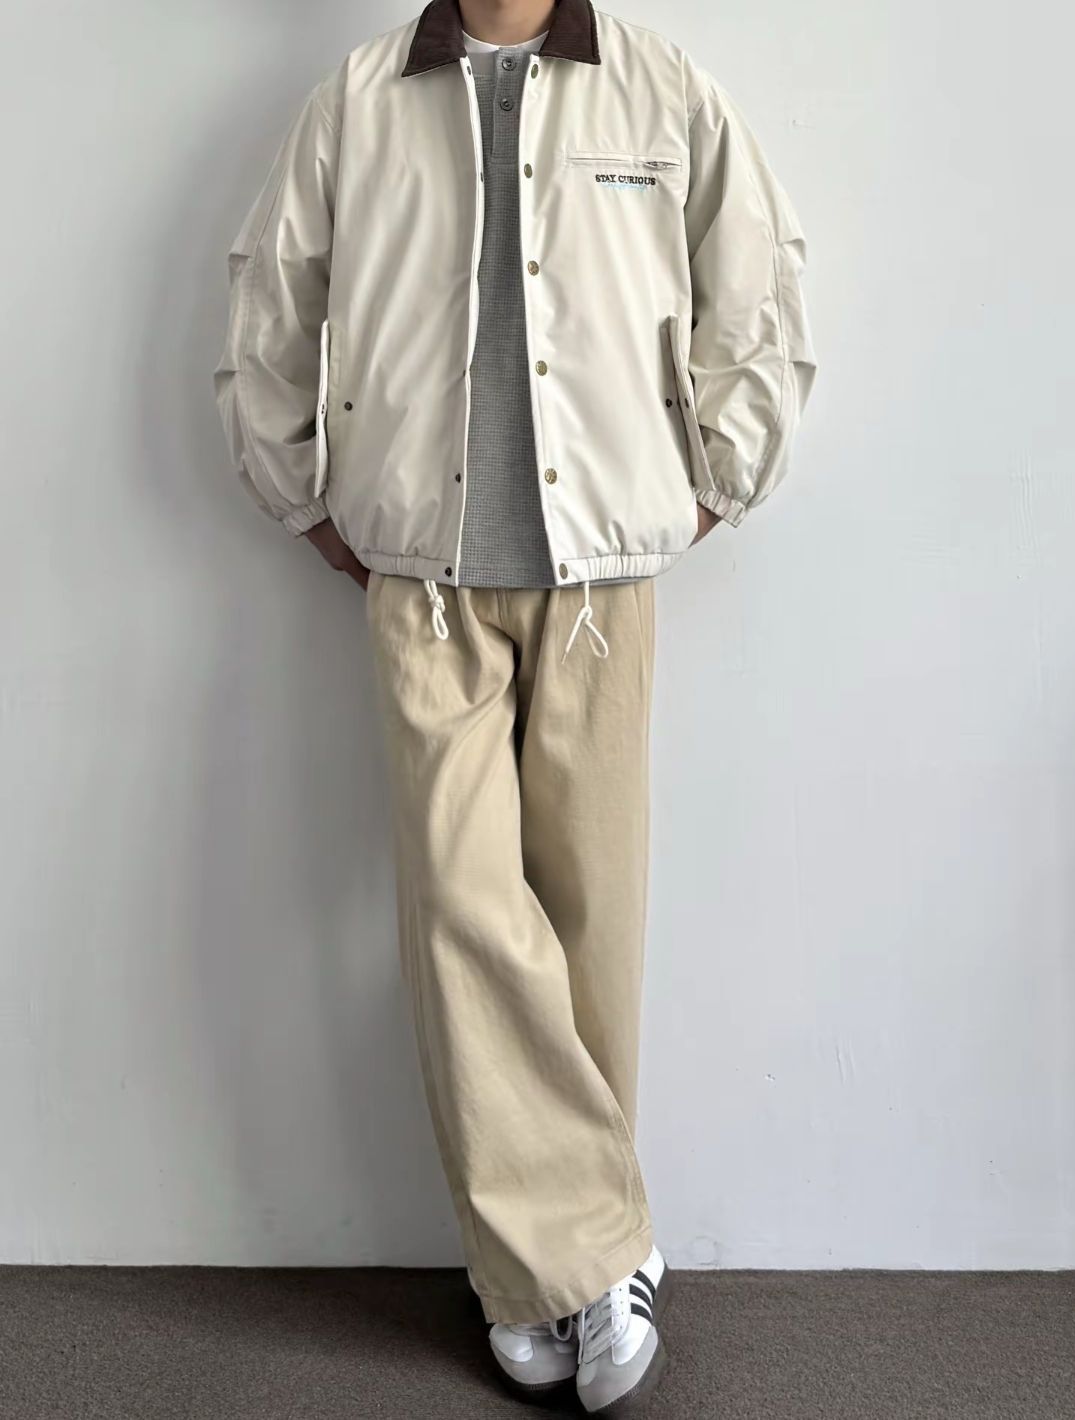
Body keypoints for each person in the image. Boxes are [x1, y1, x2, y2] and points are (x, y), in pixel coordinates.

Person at [213, 0, 817, 1411]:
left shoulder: (659, 88)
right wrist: (299, 491)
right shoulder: (361, 98)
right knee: (460, 907)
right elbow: (270, 297)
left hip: (602, 576)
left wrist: (715, 480)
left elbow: (758, 282)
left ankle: (541, 1277)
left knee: (593, 912)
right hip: (422, 578)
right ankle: (597, 1254)